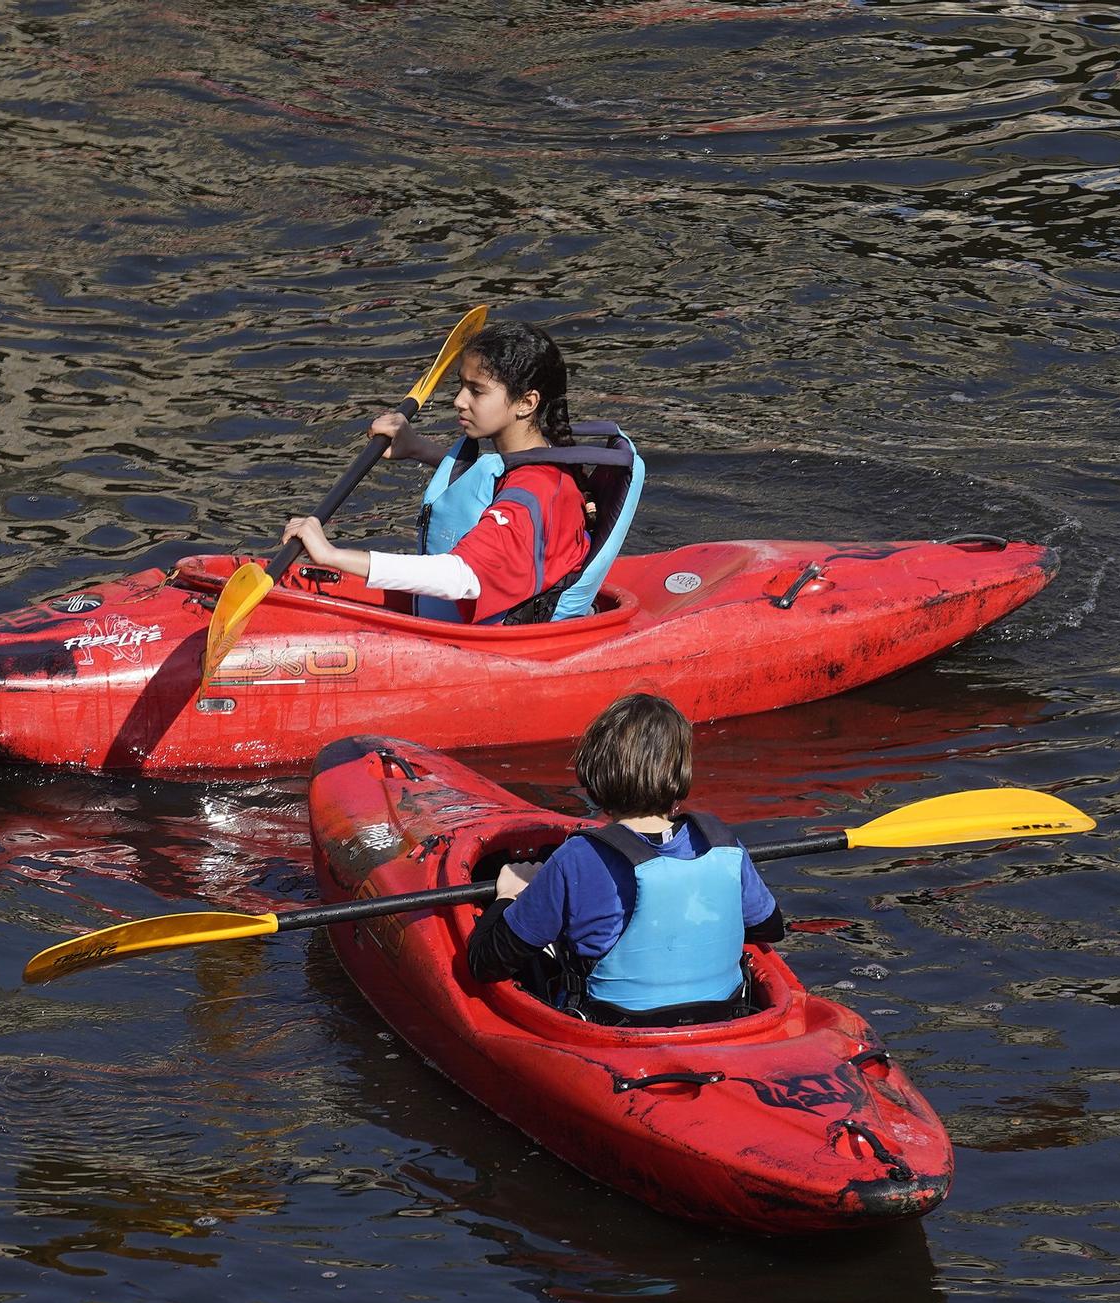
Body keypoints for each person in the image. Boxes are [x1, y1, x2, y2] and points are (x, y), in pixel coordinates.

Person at [466, 693, 788, 1025]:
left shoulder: (577, 858)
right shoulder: (724, 845)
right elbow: (769, 927)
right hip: (725, 1019)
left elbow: (485, 963)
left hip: (615, 1033)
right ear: (680, 774)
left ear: (596, 776)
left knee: (539, 955)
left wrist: (508, 895)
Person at [281, 320, 592, 625]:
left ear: (526, 402)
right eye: (461, 384)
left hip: (495, 648)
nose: (459, 400)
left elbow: (462, 577)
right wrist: (415, 447)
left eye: (476, 391)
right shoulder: (538, 458)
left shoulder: (532, 493)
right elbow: (485, 483)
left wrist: (331, 555)